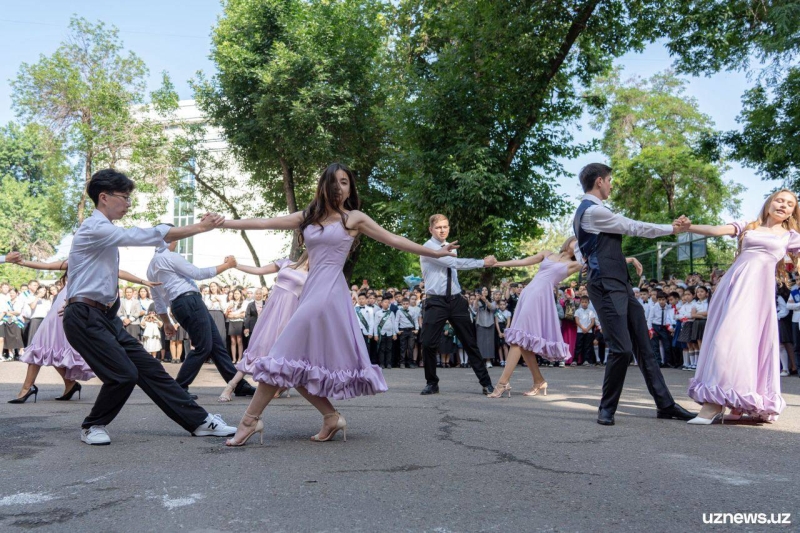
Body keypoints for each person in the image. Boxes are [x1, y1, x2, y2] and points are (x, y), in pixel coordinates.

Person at [220, 163, 456, 446]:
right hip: (310, 292)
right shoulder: (309, 217)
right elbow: (264, 222)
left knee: (280, 354)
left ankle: (249, 420)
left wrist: (436, 253)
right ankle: (331, 417)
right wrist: (223, 222)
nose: (338, 187)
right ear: (323, 186)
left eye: (344, 182)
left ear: (350, 188)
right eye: (333, 182)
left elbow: (394, 239)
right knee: (298, 365)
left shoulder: (352, 218)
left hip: (328, 293)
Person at [61, 168, 237, 445]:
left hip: (103, 315)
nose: (128, 203)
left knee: (152, 371)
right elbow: (142, 236)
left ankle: (200, 422)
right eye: (125, 197)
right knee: (123, 375)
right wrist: (200, 227)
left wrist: (75, 301)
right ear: (104, 197)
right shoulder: (94, 228)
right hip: (85, 316)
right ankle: (93, 425)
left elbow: (89, 276)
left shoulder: (103, 232)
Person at [573, 163, 695, 425]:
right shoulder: (593, 211)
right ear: (599, 182)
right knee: (621, 349)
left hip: (620, 284)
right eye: (609, 180)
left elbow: (580, 245)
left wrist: (585, 257)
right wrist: (672, 228)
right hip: (605, 285)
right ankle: (606, 409)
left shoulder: (590, 212)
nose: (611, 185)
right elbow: (633, 226)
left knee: (644, 346)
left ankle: (665, 405)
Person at [684, 190, 800, 424]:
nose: (783, 205)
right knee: (722, 338)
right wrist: (689, 226)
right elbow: (717, 230)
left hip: (757, 293)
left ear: (792, 212)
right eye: (780, 200)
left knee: (738, 341)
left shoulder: (791, 235)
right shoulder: (749, 226)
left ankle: (727, 402)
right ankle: (719, 402)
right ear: (769, 203)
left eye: (790, 204)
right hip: (732, 286)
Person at [9, 258, 159, 404]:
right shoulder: (75, 259)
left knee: (51, 347)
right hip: (63, 303)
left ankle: (35, 387)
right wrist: (22, 262)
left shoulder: (97, 261)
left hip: (75, 304)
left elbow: (118, 272)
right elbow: (47, 266)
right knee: (46, 345)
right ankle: (63, 385)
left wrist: (142, 281)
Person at [147, 240, 256, 399]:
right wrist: (227, 265)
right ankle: (179, 388)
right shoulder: (169, 257)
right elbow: (197, 273)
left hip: (180, 305)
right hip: (189, 301)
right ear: (171, 239)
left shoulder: (150, 268)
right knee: (203, 346)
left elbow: (158, 301)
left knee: (216, 345)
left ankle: (238, 385)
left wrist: (166, 322)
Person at [487, 238, 584, 398]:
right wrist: (497, 264)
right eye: (577, 242)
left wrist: (629, 259)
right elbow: (523, 261)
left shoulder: (575, 264)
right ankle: (539, 381)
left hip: (541, 297)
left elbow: (601, 261)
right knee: (524, 342)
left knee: (519, 339)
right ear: (568, 242)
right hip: (528, 293)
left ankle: (502, 383)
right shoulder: (547, 253)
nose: (579, 246)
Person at [419, 214, 496, 395]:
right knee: (428, 344)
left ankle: (486, 383)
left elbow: (452, 267)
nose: (443, 230)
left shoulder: (450, 247)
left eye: (445, 226)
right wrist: (483, 263)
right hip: (435, 301)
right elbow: (453, 263)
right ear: (431, 229)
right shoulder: (427, 248)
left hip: (455, 299)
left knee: (470, 343)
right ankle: (432, 383)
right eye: (438, 227)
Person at [218, 254, 309, 402]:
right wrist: (235, 265)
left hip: (289, 315)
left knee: (279, 353)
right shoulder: (286, 263)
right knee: (258, 348)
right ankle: (230, 386)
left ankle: (280, 385)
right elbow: (259, 270)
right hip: (271, 311)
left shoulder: (314, 275)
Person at [373, 298, 398, 369]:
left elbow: (393, 324)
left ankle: (389, 363)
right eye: (385, 302)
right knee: (382, 349)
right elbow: (376, 324)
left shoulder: (391, 313)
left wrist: (394, 334)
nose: (387, 304)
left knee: (389, 349)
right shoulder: (378, 313)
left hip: (390, 333)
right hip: (381, 333)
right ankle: (382, 363)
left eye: (388, 302)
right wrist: (376, 334)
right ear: (381, 304)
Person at [396, 297, 420, 368]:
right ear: (402, 304)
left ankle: (410, 363)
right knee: (402, 347)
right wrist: (397, 331)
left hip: (411, 330)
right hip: (403, 330)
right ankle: (402, 363)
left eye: (406, 304)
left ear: (409, 304)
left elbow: (415, 320)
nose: (405, 305)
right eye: (404, 304)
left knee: (411, 347)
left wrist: (417, 329)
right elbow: (396, 321)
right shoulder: (399, 311)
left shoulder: (412, 311)